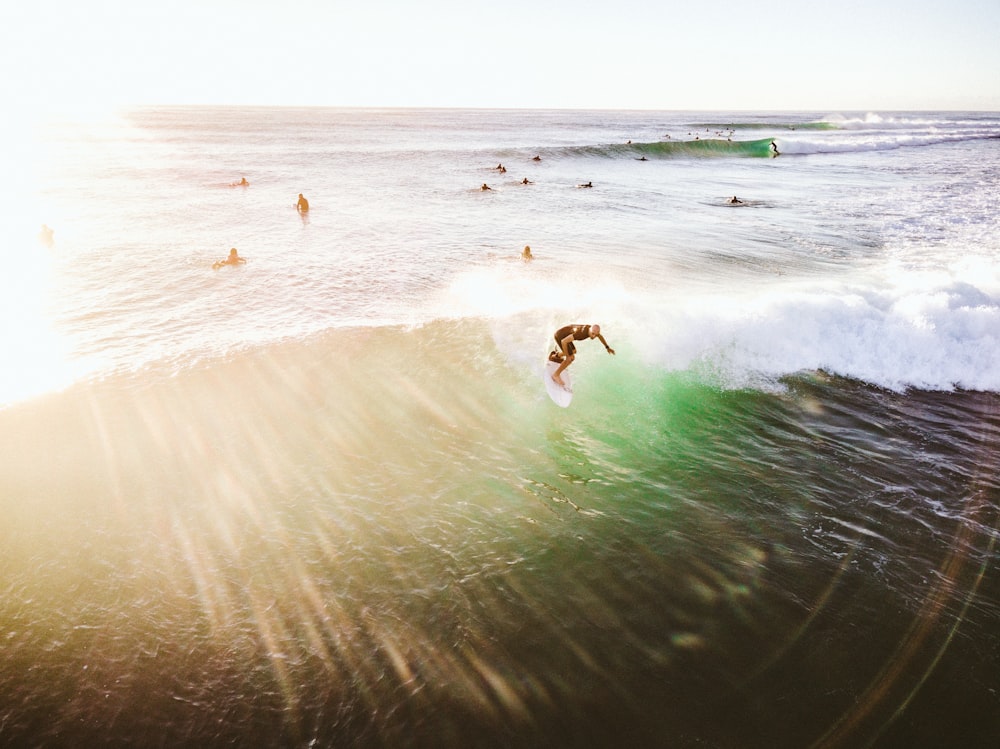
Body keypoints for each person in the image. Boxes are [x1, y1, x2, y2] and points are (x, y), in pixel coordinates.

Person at [549, 323, 614, 387]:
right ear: (590, 330)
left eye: (595, 335)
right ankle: (556, 375)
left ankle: (555, 356)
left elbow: (600, 336)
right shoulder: (581, 334)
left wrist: (607, 347)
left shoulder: (591, 329)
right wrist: (567, 356)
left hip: (565, 334)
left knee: (574, 351)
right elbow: (563, 341)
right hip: (560, 336)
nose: (593, 336)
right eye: (593, 334)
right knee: (571, 358)